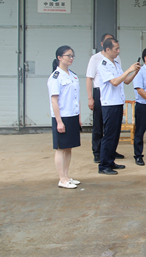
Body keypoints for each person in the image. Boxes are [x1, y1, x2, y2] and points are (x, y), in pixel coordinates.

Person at [97, 38, 140, 175]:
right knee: (109, 135)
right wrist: (129, 70)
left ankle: (110, 161)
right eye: (116, 49)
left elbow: (125, 81)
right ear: (107, 49)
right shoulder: (103, 65)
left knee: (115, 135)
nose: (118, 51)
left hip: (118, 103)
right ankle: (104, 165)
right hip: (109, 104)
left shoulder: (115, 64)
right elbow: (115, 82)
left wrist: (135, 72)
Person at [86, 33, 124, 163]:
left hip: (114, 94)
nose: (118, 51)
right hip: (100, 91)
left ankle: (110, 153)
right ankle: (98, 152)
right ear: (104, 45)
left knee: (113, 128)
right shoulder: (96, 59)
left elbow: (120, 78)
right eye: (115, 48)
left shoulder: (116, 59)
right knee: (99, 124)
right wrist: (90, 97)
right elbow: (89, 78)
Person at [47, 46, 82, 189]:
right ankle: (62, 179)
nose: (71, 58)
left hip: (72, 115)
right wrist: (59, 121)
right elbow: (54, 101)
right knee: (61, 148)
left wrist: (79, 117)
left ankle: (67, 176)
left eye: (72, 56)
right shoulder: (56, 77)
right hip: (63, 117)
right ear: (59, 58)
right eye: (68, 55)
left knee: (68, 148)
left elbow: (76, 98)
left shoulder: (72, 75)